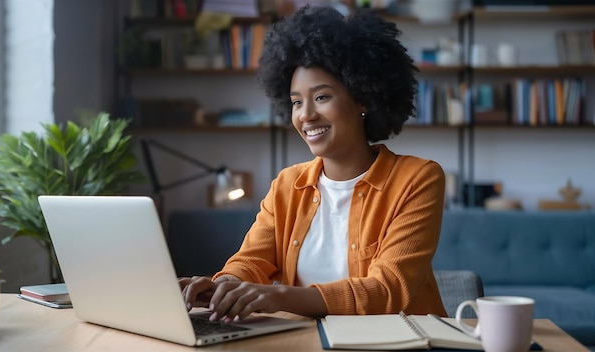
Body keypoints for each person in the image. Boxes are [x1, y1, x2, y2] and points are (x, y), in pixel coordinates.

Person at [181, 4, 447, 324]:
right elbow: (250, 263)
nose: (305, 115)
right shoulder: (287, 185)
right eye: (296, 102)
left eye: (321, 97)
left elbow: (388, 290)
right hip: (307, 342)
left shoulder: (418, 179)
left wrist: (279, 296)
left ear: (363, 98)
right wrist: (221, 288)